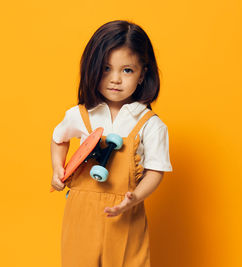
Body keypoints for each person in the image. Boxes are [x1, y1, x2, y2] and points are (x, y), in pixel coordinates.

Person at [50, 20, 173, 267]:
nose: (115, 79)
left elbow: (156, 171)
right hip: (80, 215)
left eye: (127, 70)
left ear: (142, 74)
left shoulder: (149, 124)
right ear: (92, 69)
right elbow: (58, 138)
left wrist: (134, 198)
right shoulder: (81, 114)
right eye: (106, 69)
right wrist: (57, 168)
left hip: (125, 214)